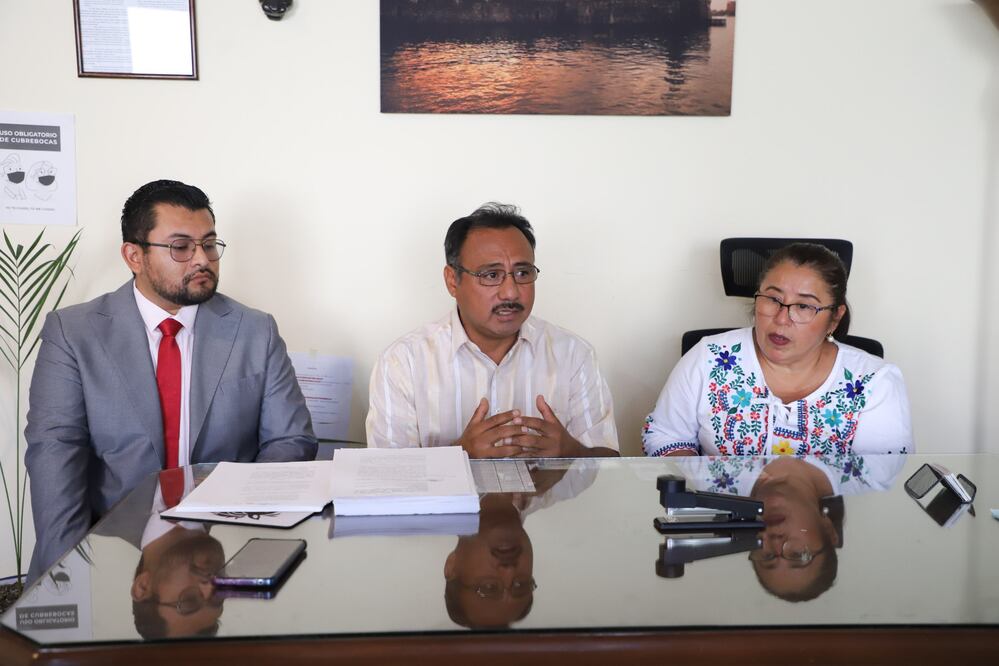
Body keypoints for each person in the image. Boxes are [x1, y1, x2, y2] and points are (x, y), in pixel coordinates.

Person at [25, 179, 316, 584]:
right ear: (134, 255)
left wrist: (234, 512)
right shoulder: (75, 333)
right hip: (112, 546)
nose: (202, 259)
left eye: (209, 244)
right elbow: (56, 453)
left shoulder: (255, 331)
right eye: (181, 247)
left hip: (227, 542)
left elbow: (291, 441)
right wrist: (68, 570)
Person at [366, 203, 619, 458]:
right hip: (455, 501)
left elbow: (614, 469)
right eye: (491, 275)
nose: (510, 292)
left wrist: (570, 452)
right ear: (453, 281)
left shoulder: (574, 355)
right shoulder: (403, 363)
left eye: (522, 272)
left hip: (553, 501)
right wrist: (460, 456)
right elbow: (388, 480)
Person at [642, 242, 913, 457]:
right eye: (773, 299)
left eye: (804, 306)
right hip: (723, 517)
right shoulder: (710, 358)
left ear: (834, 318)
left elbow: (882, 479)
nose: (783, 319)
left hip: (827, 523)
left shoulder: (874, 382)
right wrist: (701, 485)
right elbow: (665, 435)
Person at [675, 451, 903, 601]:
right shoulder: (872, 470)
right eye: (797, 554)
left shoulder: (706, 479)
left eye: (767, 558)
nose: (776, 543)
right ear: (828, 530)